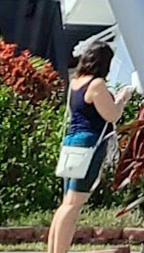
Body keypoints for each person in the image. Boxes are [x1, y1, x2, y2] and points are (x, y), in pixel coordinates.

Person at [47, 37, 121, 253]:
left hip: (72, 143)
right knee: (73, 204)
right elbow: (111, 114)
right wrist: (122, 99)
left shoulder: (76, 82)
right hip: (89, 145)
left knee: (66, 203)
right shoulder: (96, 85)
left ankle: (54, 249)